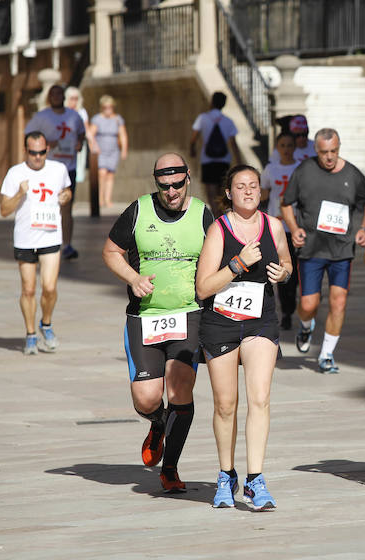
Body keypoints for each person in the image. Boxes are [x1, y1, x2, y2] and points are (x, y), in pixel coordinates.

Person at [102, 153, 213, 492]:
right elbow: (110, 251)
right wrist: (133, 278)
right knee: (146, 399)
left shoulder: (203, 214)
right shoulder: (139, 210)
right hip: (145, 317)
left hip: (188, 314)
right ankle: (158, 422)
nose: (171, 192)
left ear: (188, 177)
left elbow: (219, 258)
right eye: (164, 186)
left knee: (180, 389)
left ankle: (171, 468)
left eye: (177, 184)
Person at [196, 165, 292, 511]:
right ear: (228, 193)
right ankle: (226, 474)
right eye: (241, 186)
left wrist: (283, 272)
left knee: (260, 399)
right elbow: (203, 287)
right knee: (225, 405)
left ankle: (255, 479)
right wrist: (237, 263)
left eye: (254, 185)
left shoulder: (273, 226)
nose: (249, 191)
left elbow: (286, 262)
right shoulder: (219, 230)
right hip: (220, 323)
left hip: (259, 323)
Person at [281, 128, 365, 373]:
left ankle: (326, 354)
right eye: (324, 152)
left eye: (334, 150)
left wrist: (363, 228)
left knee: (338, 301)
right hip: (311, 248)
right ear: (316, 150)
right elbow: (286, 203)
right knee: (308, 304)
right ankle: (305, 326)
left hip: (341, 249)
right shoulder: (304, 171)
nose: (330, 156)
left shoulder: (352, 174)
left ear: (339, 147)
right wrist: (294, 229)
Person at [0, 131, 72, 354]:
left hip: (50, 235)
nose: (37, 157)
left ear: (47, 150)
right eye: (33, 153)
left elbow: (66, 191)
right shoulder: (15, 173)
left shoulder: (58, 169)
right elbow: (4, 210)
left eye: (41, 152)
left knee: (49, 288)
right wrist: (19, 194)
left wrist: (66, 196)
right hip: (25, 238)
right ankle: (30, 334)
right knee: (29, 290)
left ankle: (46, 323)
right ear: (25, 151)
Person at [25, 84, 85, 260]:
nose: (57, 97)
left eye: (60, 93)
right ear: (49, 97)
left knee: (67, 206)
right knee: (45, 204)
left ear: (64, 96)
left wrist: (79, 143)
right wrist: (46, 144)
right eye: (53, 94)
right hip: (47, 169)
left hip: (69, 167)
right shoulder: (41, 117)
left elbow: (82, 133)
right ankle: (41, 242)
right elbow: (28, 136)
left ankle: (67, 244)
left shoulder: (74, 116)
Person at [260, 132, 301, 329]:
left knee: (295, 271)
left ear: (294, 147)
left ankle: (291, 303)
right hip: (276, 226)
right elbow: (263, 193)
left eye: (289, 145)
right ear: (277, 148)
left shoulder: (300, 168)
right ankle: (286, 311)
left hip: (296, 226)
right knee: (281, 267)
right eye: (282, 145)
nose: (286, 149)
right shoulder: (270, 169)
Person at [190, 91, 242, 215]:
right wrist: (239, 162)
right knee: (223, 192)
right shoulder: (228, 121)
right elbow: (233, 144)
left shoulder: (203, 118)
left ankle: (215, 217)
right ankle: (223, 217)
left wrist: (192, 149)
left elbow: (194, 138)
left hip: (208, 161)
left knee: (211, 192)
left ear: (212, 102)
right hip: (224, 161)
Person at [90, 95, 128, 208]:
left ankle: (107, 199)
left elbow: (123, 135)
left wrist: (124, 150)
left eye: (110, 107)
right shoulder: (97, 119)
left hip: (113, 151)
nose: (108, 109)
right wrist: (94, 147)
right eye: (105, 107)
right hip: (100, 151)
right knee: (102, 173)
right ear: (102, 107)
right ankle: (100, 198)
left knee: (110, 174)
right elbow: (91, 135)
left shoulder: (117, 119)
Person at [64, 86, 96, 190]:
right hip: (63, 148)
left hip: (77, 147)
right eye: (72, 98)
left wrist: (93, 144)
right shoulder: (62, 112)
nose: (74, 101)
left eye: (76, 99)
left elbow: (87, 130)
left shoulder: (81, 112)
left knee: (75, 174)